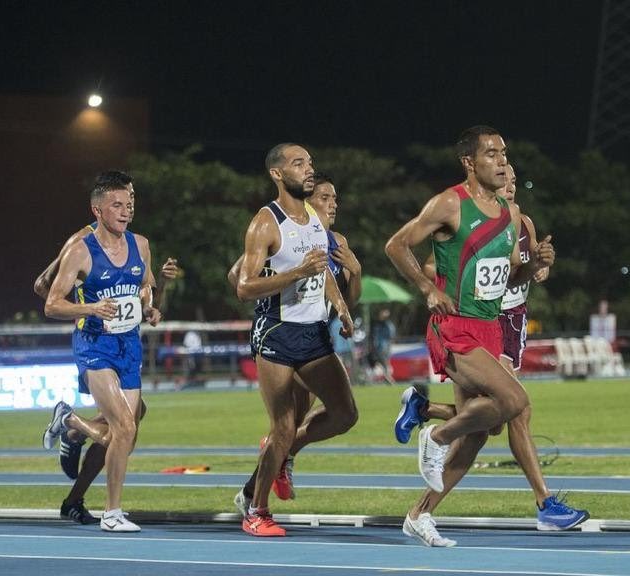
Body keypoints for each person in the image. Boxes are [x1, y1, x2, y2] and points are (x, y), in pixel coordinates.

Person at [384, 126, 561, 547]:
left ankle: (420, 514)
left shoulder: (511, 213)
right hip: (454, 326)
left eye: (504, 153)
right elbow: (396, 245)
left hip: (490, 327)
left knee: (481, 433)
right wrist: (429, 289)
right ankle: (435, 435)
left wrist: (533, 262)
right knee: (515, 402)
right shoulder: (450, 203)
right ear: (469, 162)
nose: (502, 160)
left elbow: (510, 277)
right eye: (491, 154)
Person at [33, 171, 177, 525]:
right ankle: (111, 513)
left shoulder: (141, 244)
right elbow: (50, 302)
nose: (127, 210)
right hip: (94, 344)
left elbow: (146, 293)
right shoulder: (80, 248)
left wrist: (153, 304)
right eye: (118, 204)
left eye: (130, 204)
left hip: (129, 344)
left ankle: (70, 423)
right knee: (123, 429)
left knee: (124, 432)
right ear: (97, 209)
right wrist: (89, 308)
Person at [234, 145, 357, 537]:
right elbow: (244, 286)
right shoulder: (265, 222)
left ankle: (283, 455)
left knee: (345, 414)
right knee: (283, 425)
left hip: (315, 333)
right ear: (276, 173)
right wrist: (296, 273)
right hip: (276, 332)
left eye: (310, 164)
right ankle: (255, 508)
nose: (308, 170)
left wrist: (340, 307)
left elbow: (325, 274)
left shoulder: (315, 221)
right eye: (299, 164)